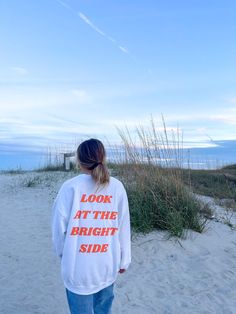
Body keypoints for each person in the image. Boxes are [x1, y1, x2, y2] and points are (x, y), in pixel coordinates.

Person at [51, 138, 132, 314]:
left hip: (78, 267)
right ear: (104, 157)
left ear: (79, 161)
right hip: (107, 265)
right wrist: (124, 259)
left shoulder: (70, 187)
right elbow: (123, 227)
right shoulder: (117, 187)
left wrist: (63, 253)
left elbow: (58, 229)